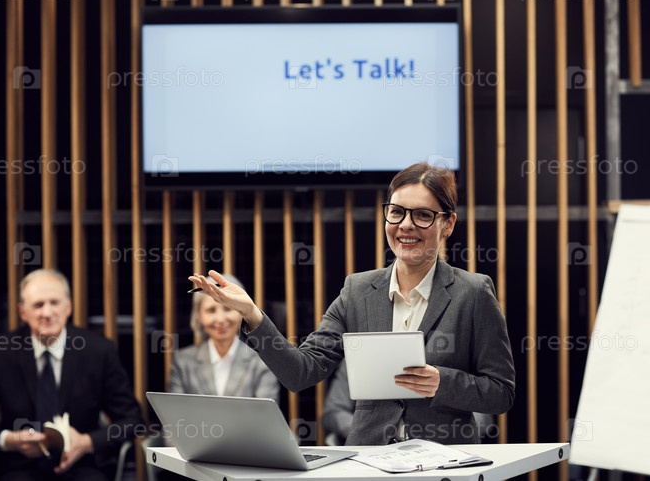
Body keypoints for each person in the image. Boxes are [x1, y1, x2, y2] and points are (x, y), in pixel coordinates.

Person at [189, 162, 515, 445]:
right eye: (396, 212)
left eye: (423, 215)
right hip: (370, 460)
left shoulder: (473, 292)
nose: (406, 225)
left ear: (448, 224)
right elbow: (300, 372)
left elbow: (501, 392)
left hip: (444, 461)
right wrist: (251, 313)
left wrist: (442, 382)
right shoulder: (357, 291)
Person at [0, 268, 144, 481]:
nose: (47, 313)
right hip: (18, 466)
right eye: (38, 305)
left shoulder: (98, 351)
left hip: (82, 466)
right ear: (23, 312)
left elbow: (132, 420)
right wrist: (9, 440)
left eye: (55, 303)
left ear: (69, 307)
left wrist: (87, 442)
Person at [321, 360, 498, 445]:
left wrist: (445, 426)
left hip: (442, 452)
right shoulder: (358, 359)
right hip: (372, 454)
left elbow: (484, 419)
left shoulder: (457, 355)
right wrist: (370, 427)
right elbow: (333, 412)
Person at [168, 273, 279, 401]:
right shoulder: (182, 362)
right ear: (198, 316)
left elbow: (266, 411)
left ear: (241, 312)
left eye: (227, 309)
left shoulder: (262, 361)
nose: (220, 319)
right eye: (211, 310)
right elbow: (176, 409)